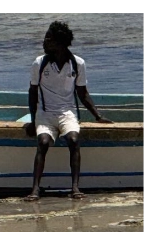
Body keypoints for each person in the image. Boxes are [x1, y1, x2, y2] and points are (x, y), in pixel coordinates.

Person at [24, 20, 113, 202]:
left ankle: (75, 187)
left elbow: (82, 92)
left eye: (48, 39)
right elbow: (32, 93)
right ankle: (35, 189)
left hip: (68, 112)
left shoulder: (77, 63)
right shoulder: (39, 63)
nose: (44, 42)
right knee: (43, 142)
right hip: (45, 113)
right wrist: (33, 121)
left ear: (60, 43)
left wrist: (98, 116)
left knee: (73, 140)